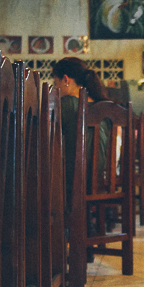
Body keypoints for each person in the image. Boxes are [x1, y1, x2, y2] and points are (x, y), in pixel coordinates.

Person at [53, 56, 110, 202]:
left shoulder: (68, 103)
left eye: (55, 83)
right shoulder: (104, 106)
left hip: (71, 182)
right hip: (100, 179)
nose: (55, 89)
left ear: (66, 80)